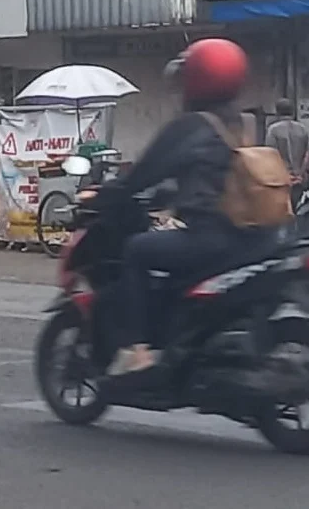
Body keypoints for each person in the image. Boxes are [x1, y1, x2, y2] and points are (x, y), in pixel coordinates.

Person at [85, 38, 269, 377]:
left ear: (198, 80)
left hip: (211, 237)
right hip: (250, 237)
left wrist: (105, 196)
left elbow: (144, 173)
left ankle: (137, 350)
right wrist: (170, 197)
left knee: (138, 249)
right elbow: (209, 174)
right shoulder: (242, 122)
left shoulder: (193, 126)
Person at [265, 99, 309, 181]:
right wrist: (300, 173)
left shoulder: (273, 129)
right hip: (299, 177)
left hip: (281, 177)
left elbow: (271, 154)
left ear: (277, 112)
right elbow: (308, 154)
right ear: (293, 112)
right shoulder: (302, 129)